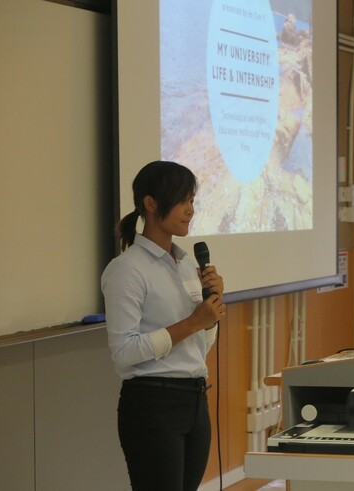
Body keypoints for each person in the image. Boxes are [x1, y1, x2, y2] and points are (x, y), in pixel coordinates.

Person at [101, 160, 226, 491]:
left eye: (192, 201)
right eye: (182, 200)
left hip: (196, 400)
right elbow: (125, 352)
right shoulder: (127, 270)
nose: (190, 210)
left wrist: (209, 314)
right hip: (152, 405)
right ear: (151, 203)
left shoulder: (186, 265)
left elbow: (202, 343)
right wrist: (192, 322)